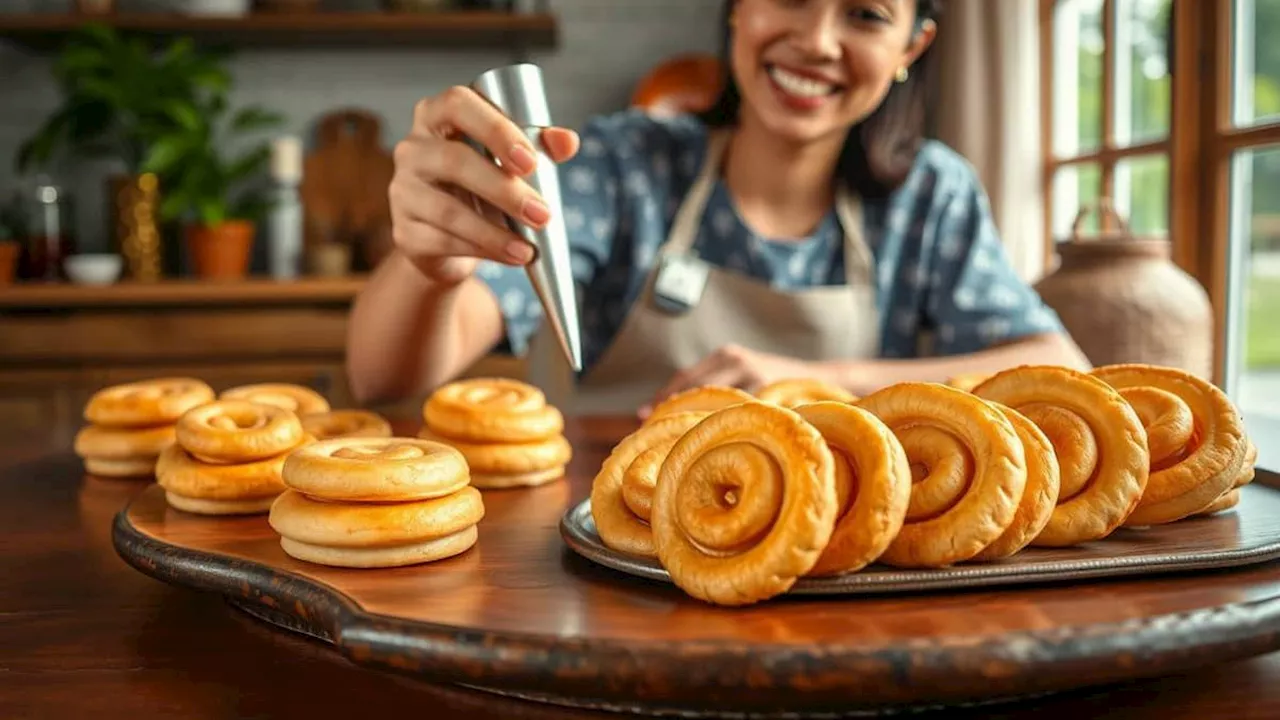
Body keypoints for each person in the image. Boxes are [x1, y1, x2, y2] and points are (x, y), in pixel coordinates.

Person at [347, 0, 1089, 416]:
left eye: (865, 14)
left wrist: (819, 380)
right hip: (591, 551)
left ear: (912, 47)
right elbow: (385, 379)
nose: (817, 40)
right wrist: (431, 266)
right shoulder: (623, 166)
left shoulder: (929, 196)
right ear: (738, 8)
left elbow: (1056, 365)